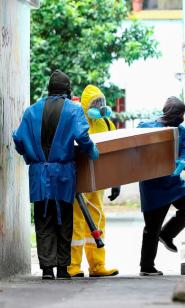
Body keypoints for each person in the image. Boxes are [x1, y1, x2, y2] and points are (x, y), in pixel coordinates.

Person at [12, 70, 99, 280]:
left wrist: (31, 157)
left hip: (39, 174)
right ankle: (62, 268)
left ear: (49, 89)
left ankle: (47, 270)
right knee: (64, 220)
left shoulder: (31, 111)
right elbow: (82, 136)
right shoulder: (73, 110)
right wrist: (91, 151)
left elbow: (19, 140)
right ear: (68, 91)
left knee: (43, 221)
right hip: (64, 175)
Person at [137, 97, 185, 276]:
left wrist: (183, 161)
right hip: (153, 184)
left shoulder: (181, 131)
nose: (180, 118)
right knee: (152, 228)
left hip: (173, 182)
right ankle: (146, 267)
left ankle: (167, 234)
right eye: (179, 114)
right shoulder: (147, 128)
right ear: (170, 112)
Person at [68, 85, 120, 278]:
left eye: (101, 102)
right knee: (77, 223)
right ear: (85, 103)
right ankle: (72, 266)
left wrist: (116, 181)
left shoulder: (106, 123)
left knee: (98, 220)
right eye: (95, 103)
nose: (99, 106)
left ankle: (98, 265)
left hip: (98, 182)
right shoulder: (76, 119)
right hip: (79, 180)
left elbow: (115, 152)